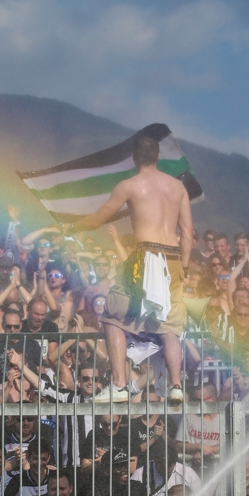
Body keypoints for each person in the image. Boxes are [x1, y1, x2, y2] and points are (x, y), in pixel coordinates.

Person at [65, 133, 193, 404]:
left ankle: (120, 385)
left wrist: (73, 226)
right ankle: (176, 386)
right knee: (170, 326)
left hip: (145, 256)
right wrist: (184, 266)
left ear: (134, 158)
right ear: (158, 157)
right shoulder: (178, 187)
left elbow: (100, 218)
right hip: (172, 257)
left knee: (112, 314)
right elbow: (189, 232)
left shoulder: (130, 185)